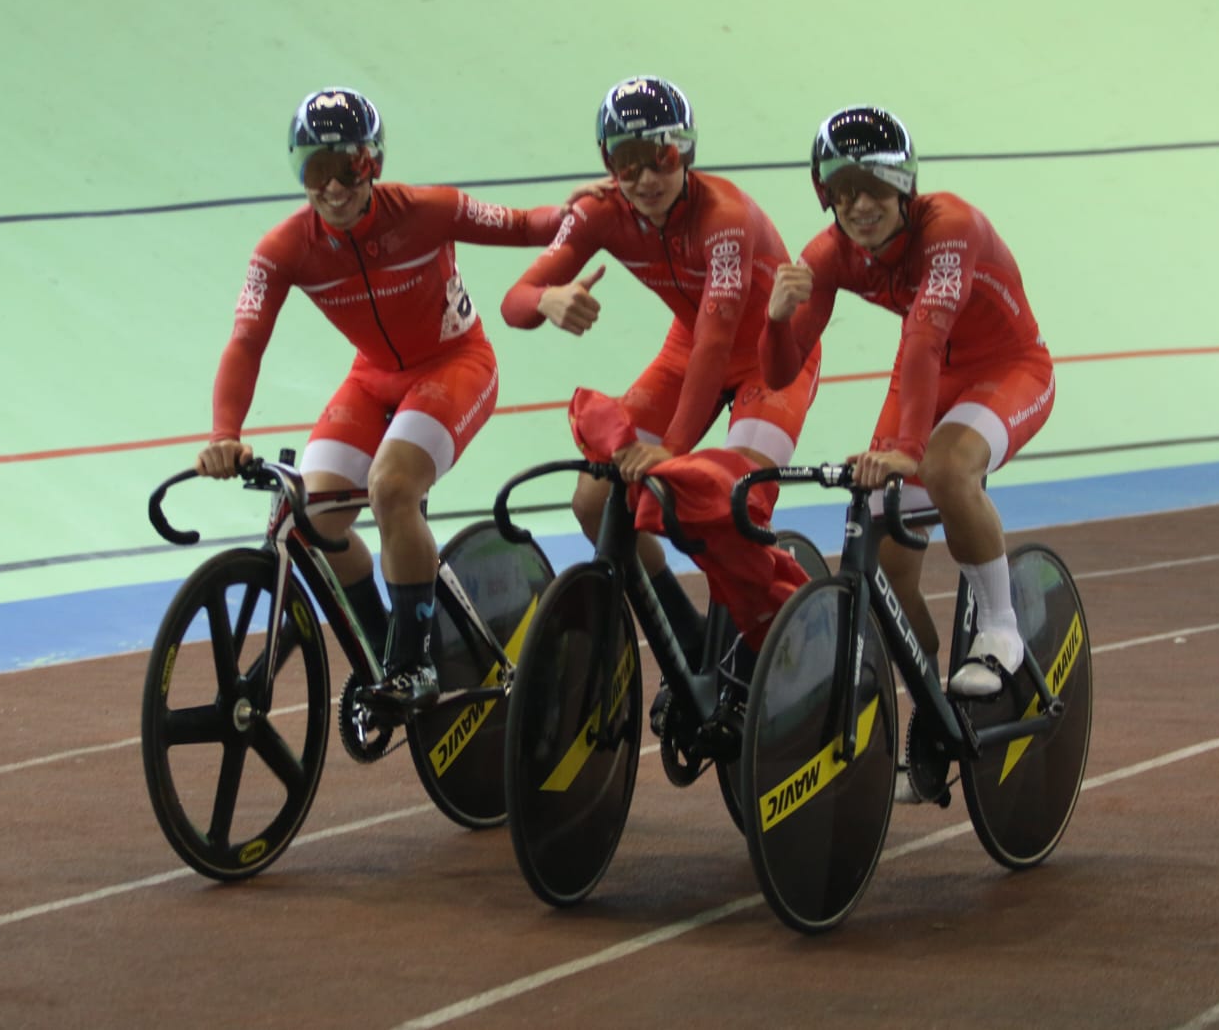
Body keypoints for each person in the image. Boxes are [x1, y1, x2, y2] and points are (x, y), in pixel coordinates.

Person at [197, 87, 565, 711]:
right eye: (317, 171)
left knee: (392, 487)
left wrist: (601, 211)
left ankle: (411, 665)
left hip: (456, 365)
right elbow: (246, 342)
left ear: (374, 165)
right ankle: (380, 648)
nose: (334, 189)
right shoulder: (283, 248)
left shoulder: (427, 210)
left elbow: (530, 225)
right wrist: (223, 432)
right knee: (310, 520)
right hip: (373, 378)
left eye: (349, 169)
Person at [501, 76, 822, 657]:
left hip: (766, 358)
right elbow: (513, 301)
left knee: (732, 501)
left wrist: (672, 450)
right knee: (595, 501)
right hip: (688, 345)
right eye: (626, 162)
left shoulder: (725, 216)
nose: (646, 178)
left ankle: (772, 638)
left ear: (687, 151)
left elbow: (718, 340)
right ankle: (688, 635)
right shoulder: (602, 212)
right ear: (608, 164)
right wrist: (546, 301)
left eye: (661, 158)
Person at [760, 105, 1055, 700]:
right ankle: (928, 703)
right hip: (928, 371)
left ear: (904, 186)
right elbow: (779, 372)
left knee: (945, 468)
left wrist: (909, 451)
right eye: (844, 193)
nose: (860, 206)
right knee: (885, 570)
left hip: (1007, 368)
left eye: (874, 189)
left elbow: (924, 335)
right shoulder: (827, 254)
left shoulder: (951, 225)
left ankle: (1000, 629)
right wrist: (774, 321)